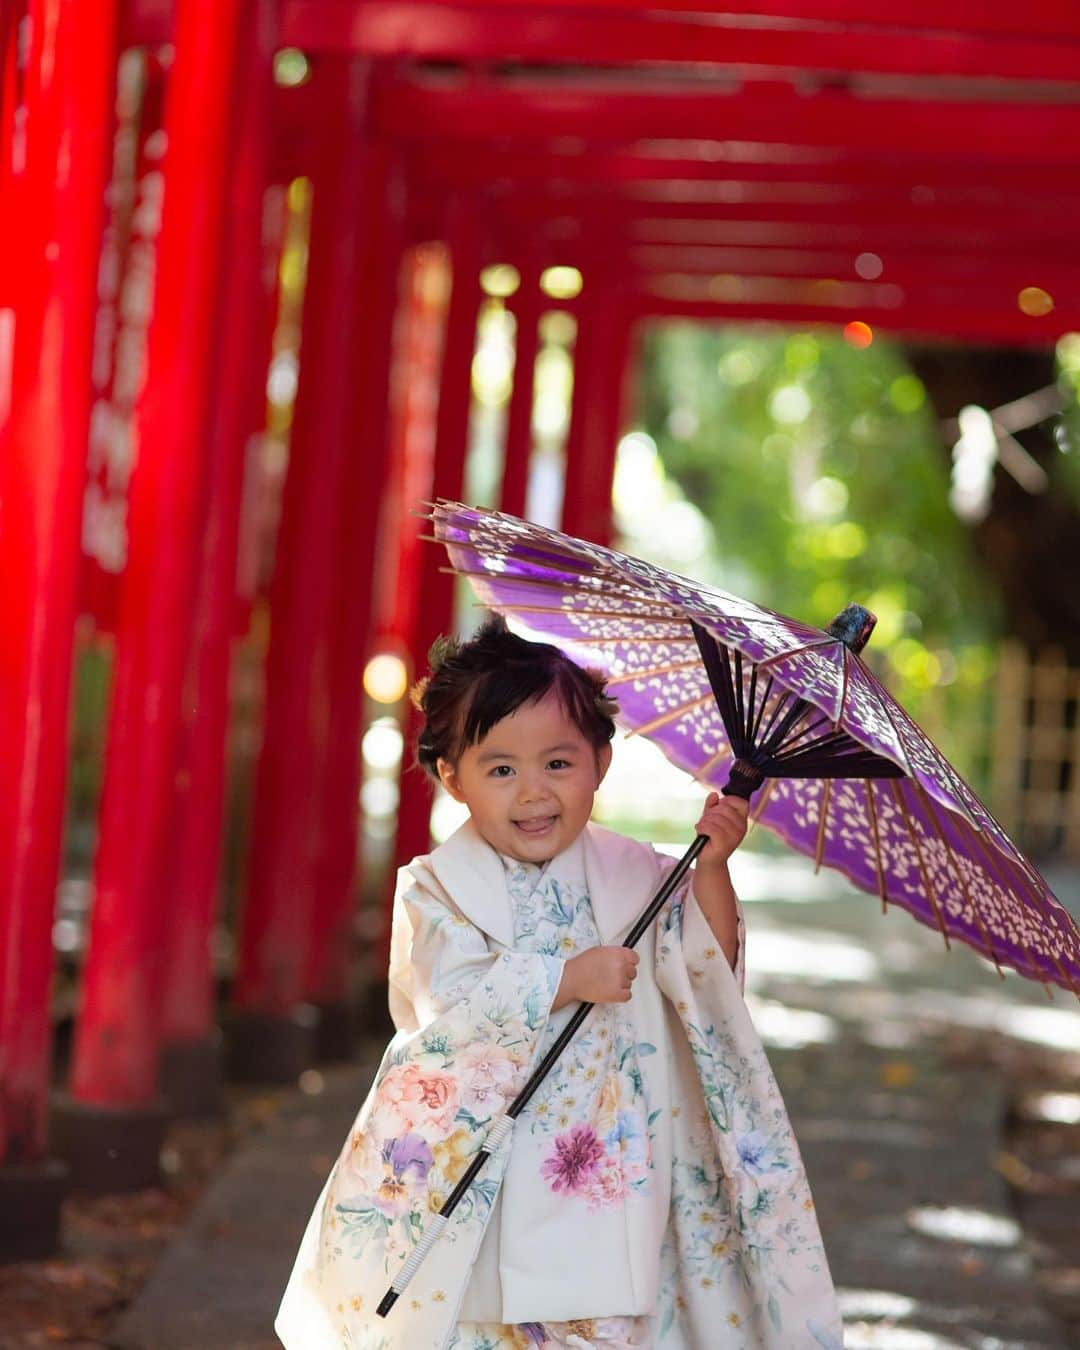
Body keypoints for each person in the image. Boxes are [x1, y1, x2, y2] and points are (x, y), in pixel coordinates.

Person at [276, 616, 842, 1350]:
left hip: (607, 1164)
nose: (534, 793)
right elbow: (447, 1010)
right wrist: (564, 979)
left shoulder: (638, 874)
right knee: (481, 1316)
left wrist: (709, 867)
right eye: (501, 768)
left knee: (600, 1316)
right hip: (489, 1167)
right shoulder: (438, 887)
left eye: (559, 764)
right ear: (453, 778)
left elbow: (706, 970)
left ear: (601, 763)